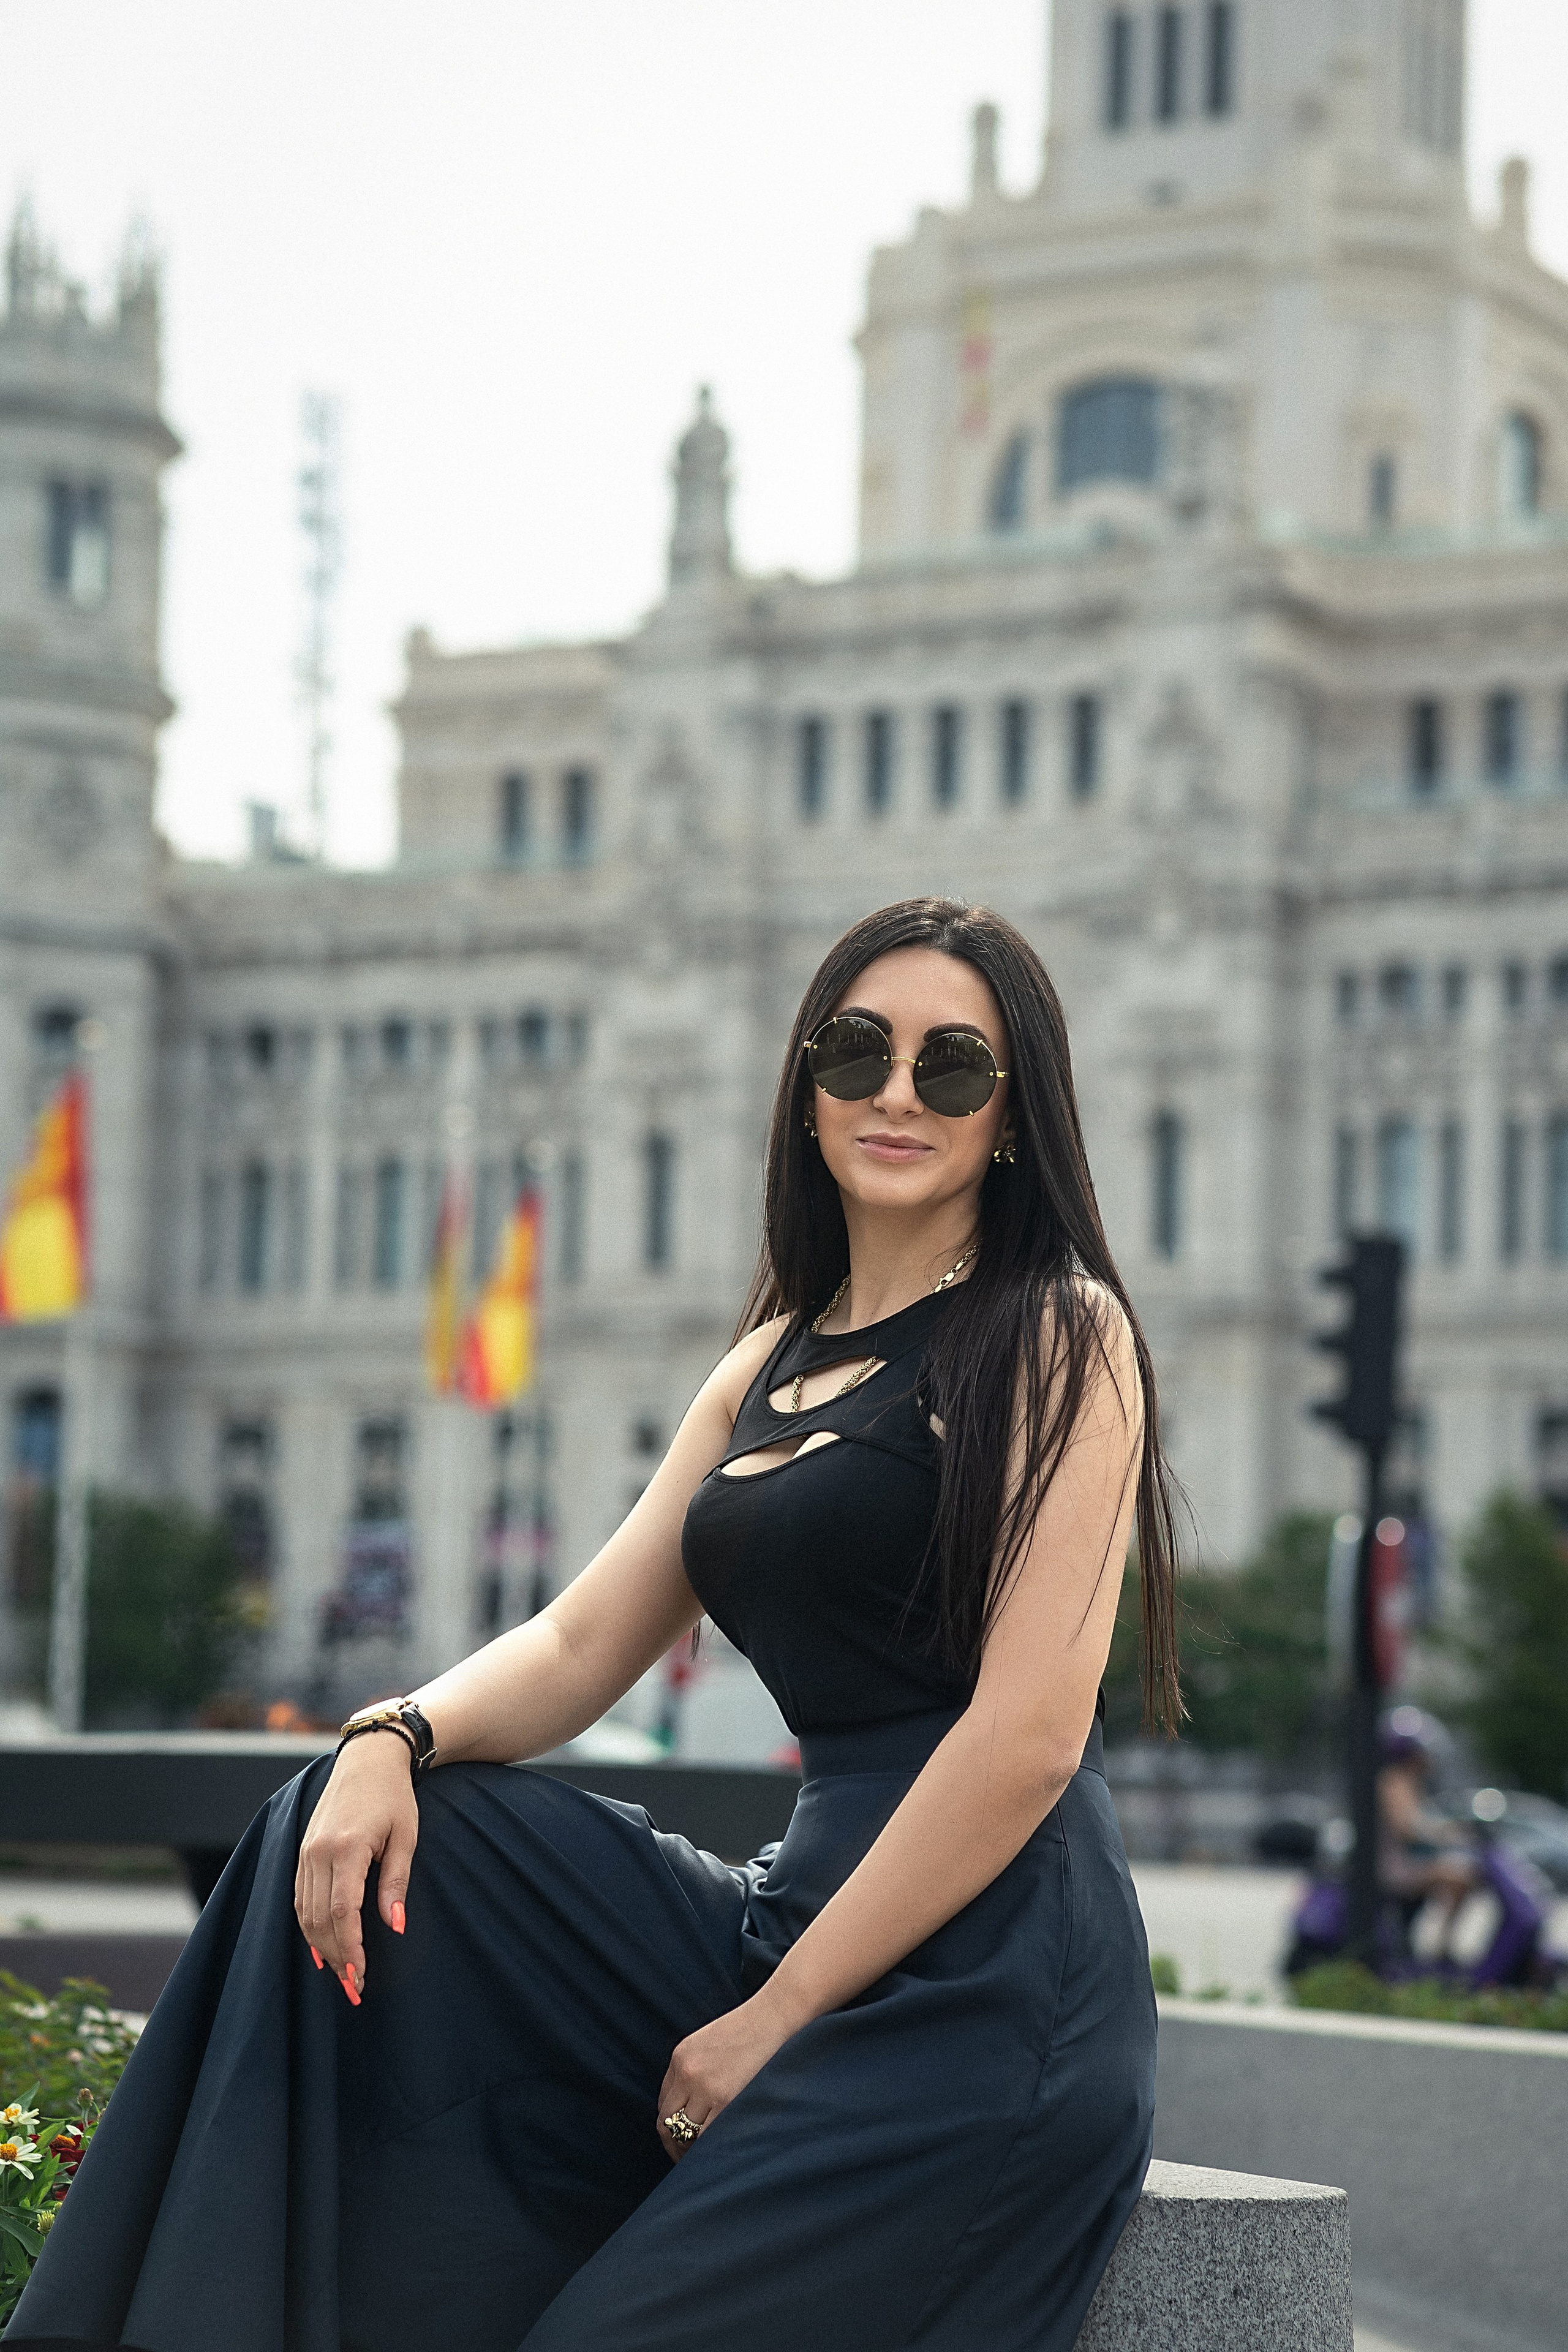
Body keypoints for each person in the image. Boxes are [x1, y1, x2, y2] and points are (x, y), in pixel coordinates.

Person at [10, 897, 1180, 2352]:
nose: (894, 1091)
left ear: (1008, 1120)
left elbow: (1026, 1736)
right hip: (791, 1916)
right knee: (346, 1824)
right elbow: (576, 1646)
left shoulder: (1057, 1330)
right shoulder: (765, 1362)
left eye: (950, 1066)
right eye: (855, 1052)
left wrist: (778, 2015)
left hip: (985, 1982)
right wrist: (390, 1732)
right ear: (803, 1088)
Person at [1378, 1708, 1476, 1951]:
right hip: (1392, 1868)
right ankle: (1443, 1946)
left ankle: (1436, 1945)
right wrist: (1448, 1835)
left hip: (1399, 1863)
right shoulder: (1395, 1782)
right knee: (1460, 1879)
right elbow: (1407, 1829)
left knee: (1461, 1875)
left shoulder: (1406, 1783)